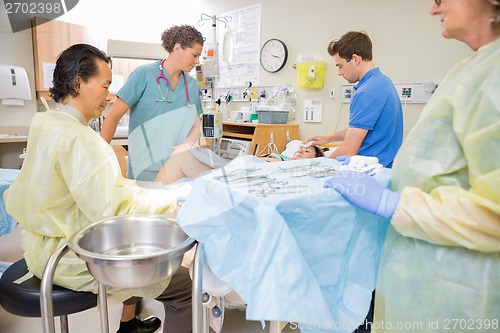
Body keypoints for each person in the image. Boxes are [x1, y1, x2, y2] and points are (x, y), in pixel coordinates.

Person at [324, 1, 500, 332]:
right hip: (419, 262)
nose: (434, 11)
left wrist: (390, 201)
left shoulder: (493, 76)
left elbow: (494, 211)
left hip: (457, 282)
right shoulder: (468, 69)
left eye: (441, 0)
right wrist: (393, 179)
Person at [3, 44, 193, 333]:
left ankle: (128, 322)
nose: (109, 96)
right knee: (182, 286)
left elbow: (102, 191)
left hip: (40, 248)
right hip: (68, 259)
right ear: (79, 82)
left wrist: (148, 193)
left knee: (133, 255)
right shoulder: (82, 140)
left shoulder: (46, 122)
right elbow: (113, 212)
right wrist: (170, 200)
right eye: (105, 86)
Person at [100, 25, 205, 181]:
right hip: (145, 168)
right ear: (177, 48)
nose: (197, 61)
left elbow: (196, 124)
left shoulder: (191, 84)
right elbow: (113, 117)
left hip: (178, 168)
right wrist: (99, 159)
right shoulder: (144, 75)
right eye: (194, 55)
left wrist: (187, 144)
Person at [303, 31, 403, 168]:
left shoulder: (366, 92)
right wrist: (327, 139)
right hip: (386, 168)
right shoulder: (384, 83)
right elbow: (360, 128)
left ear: (355, 59)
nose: (339, 72)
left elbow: (348, 150)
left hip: (368, 172)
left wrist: (314, 167)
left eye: (340, 65)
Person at [154, 143, 325, 185]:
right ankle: (148, 199)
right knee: (184, 151)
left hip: (235, 180)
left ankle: (146, 200)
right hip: (232, 170)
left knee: (181, 157)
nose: (301, 150)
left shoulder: (298, 169)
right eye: (300, 149)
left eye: (307, 151)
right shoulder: (281, 158)